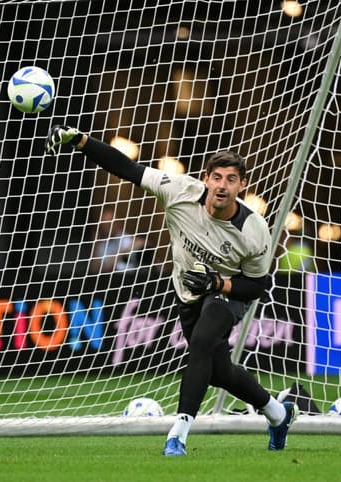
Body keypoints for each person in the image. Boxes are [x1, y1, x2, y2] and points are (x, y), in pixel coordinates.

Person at [46, 124, 297, 456]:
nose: (223, 186)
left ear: (243, 185)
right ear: (206, 178)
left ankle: (177, 435)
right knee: (220, 371)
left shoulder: (254, 230)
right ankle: (279, 414)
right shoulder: (178, 189)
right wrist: (80, 141)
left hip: (227, 293)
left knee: (205, 339)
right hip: (188, 291)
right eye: (217, 177)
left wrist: (219, 283)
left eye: (231, 179)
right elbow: (127, 168)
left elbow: (257, 286)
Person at [90, 205, 148, 273]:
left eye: (109, 223)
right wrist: (122, 252)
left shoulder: (127, 239)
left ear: (117, 223)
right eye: (104, 224)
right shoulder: (102, 244)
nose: (106, 226)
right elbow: (97, 269)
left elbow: (146, 245)